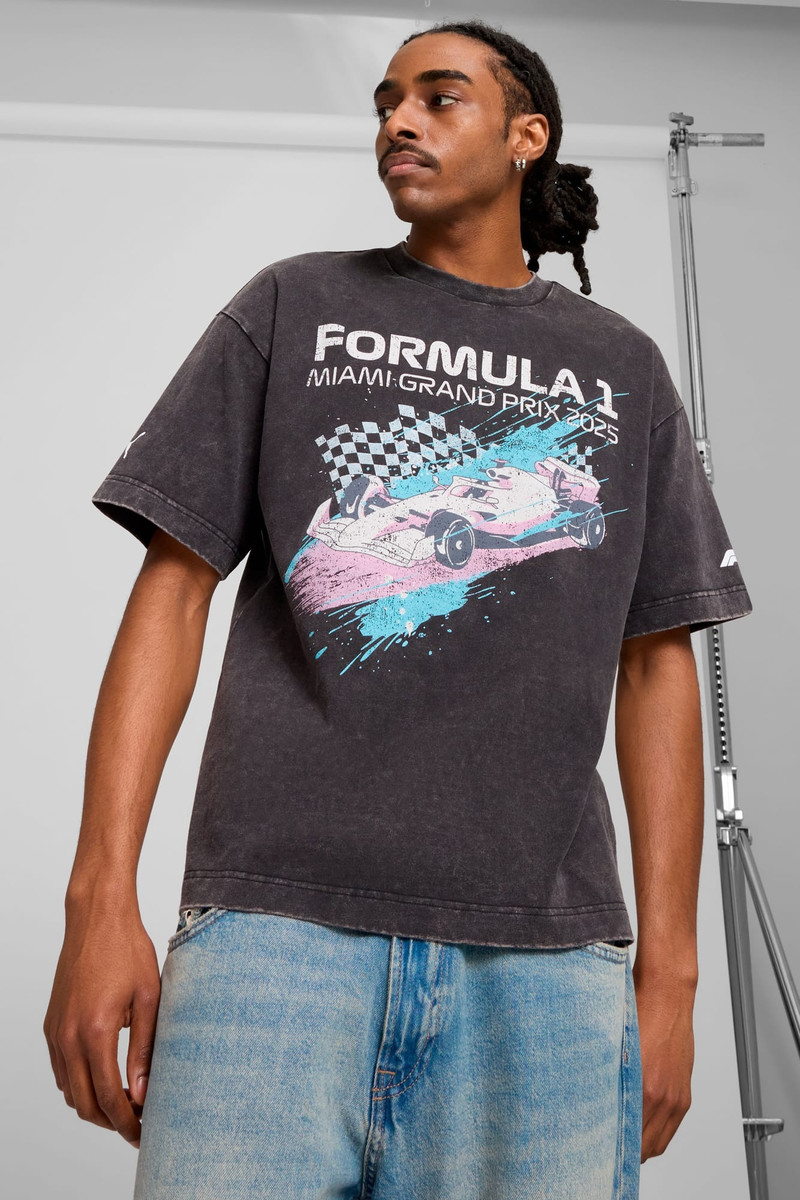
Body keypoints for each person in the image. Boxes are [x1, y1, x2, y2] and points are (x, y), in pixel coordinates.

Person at [43, 17, 753, 1200]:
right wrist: (96, 898)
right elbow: (170, 591)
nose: (399, 121)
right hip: (271, 936)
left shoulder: (619, 366)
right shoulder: (293, 306)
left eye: (439, 96)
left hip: (543, 964)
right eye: (385, 101)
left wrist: (670, 980)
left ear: (526, 136)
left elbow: (655, 662)